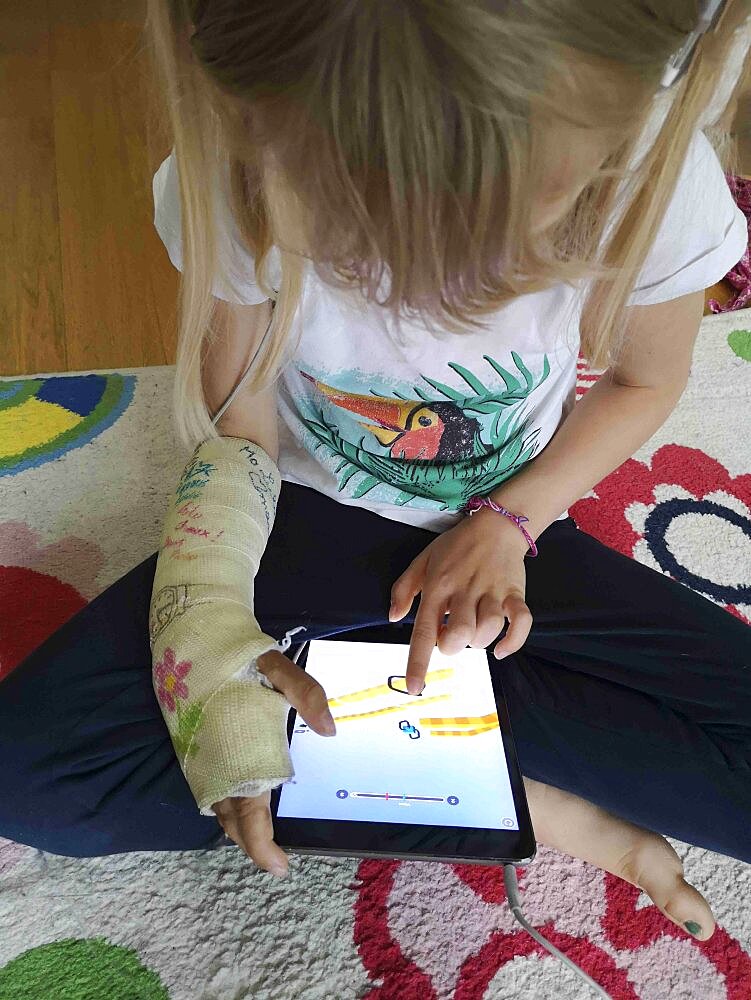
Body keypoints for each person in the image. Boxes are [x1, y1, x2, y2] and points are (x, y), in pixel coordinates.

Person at [2, 0, 750, 947]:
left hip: (505, 521)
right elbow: (243, 427)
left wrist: (508, 523)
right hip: (305, 513)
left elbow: (647, 378)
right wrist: (209, 617)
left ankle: (423, 748)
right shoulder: (231, 174)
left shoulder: (655, 166)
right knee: (28, 776)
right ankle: (515, 790)